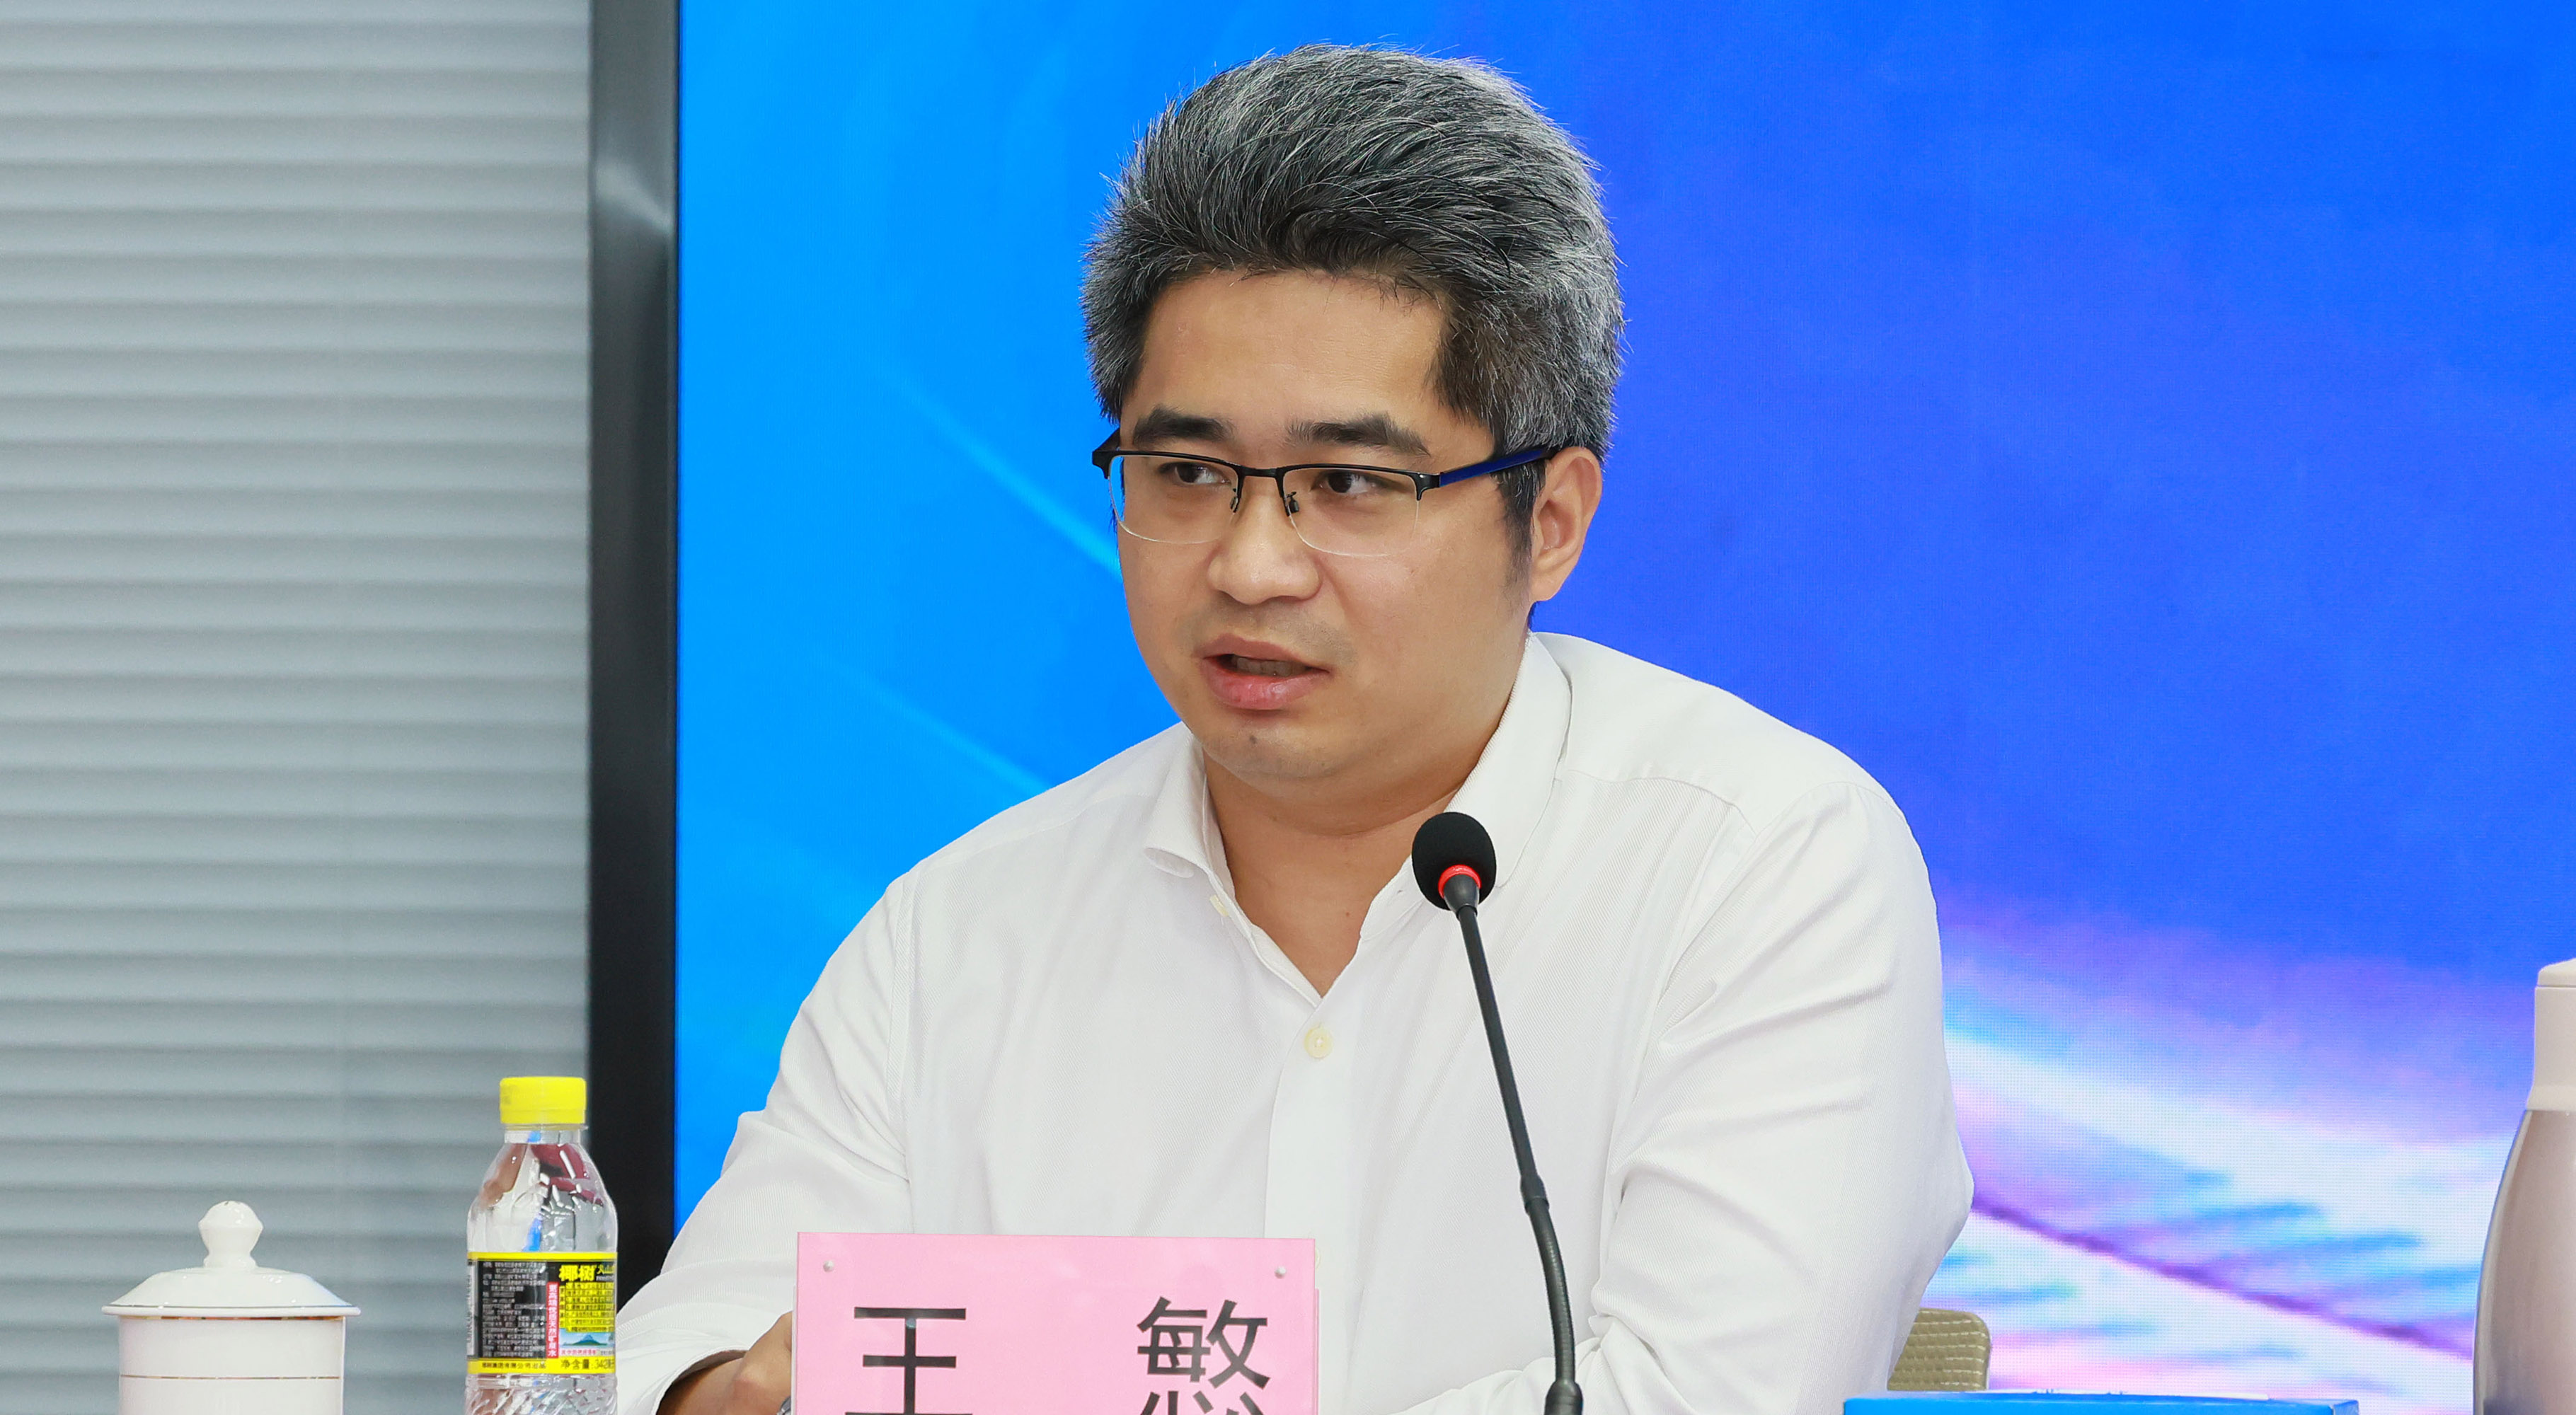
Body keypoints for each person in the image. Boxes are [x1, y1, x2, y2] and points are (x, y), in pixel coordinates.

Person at [623, 43, 1970, 1415]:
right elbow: (691, 1341)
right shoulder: (961, 933)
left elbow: (1705, 1393)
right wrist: (728, 1393)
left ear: (1551, 520)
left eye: (1349, 482)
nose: (1251, 564)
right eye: (1186, 470)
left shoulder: (1761, 868)